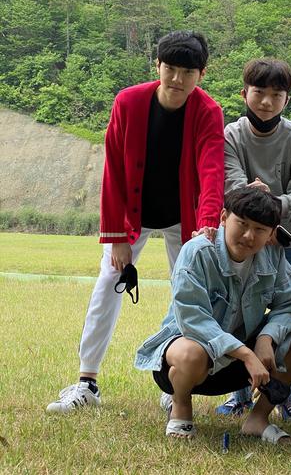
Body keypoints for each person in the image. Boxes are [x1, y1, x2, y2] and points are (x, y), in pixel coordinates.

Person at [46, 31, 225, 413]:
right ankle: (87, 383)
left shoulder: (208, 111)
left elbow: (211, 172)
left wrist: (207, 228)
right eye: (170, 69)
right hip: (133, 215)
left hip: (185, 218)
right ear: (157, 66)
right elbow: (112, 169)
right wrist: (116, 237)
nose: (177, 79)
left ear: (202, 74)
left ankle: (175, 383)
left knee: (189, 295)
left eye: (187, 72)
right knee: (107, 284)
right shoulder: (128, 102)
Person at [135, 188, 291, 442]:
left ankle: (258, 418)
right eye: (242, 223)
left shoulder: (272, 255)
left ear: (271, 234)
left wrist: (266, 338)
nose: (249, 235)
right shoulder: (197, 252)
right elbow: (192, 318)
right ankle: (180, 406)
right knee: (191, 353)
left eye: (260, 229)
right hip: (193, 358)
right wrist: (246, 354)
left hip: (236, 364)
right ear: (223, 218)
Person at [216, 58, 291, 423]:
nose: (266, 102)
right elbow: (232, 187)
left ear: (286, 100)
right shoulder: (231, 136)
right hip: (243, 237)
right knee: (237, 314)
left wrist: (269, 205)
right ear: (244, 93)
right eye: (259, 92)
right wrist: (259, 212)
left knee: (288, 317)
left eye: (277, 95)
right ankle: (239, 394)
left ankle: (284, 395)